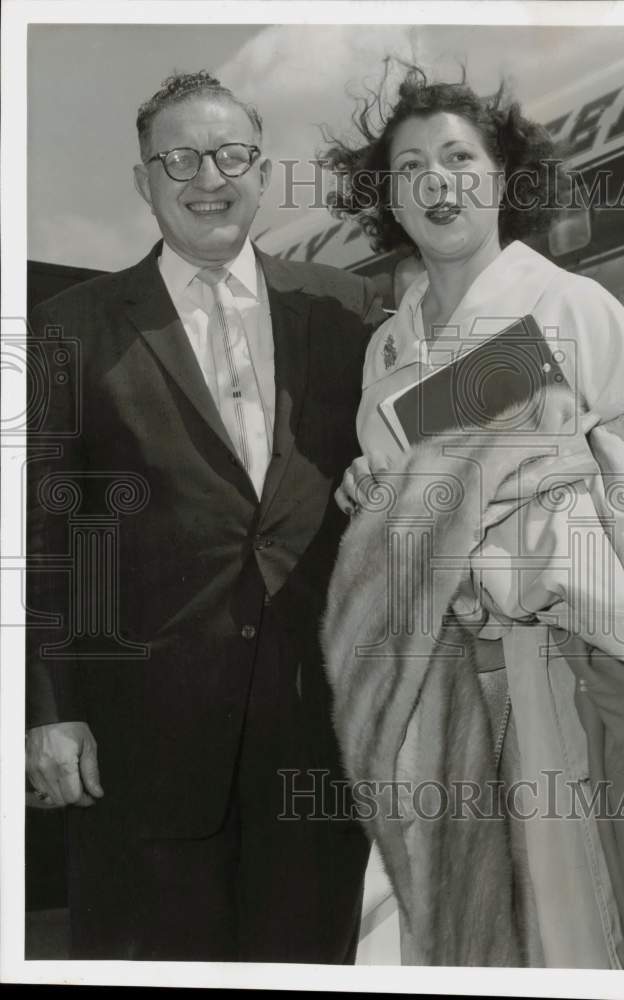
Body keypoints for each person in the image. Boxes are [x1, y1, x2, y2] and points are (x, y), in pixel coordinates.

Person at [25, 70, 384, 962]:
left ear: (263, 171)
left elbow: (444, 425)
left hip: (318, 742)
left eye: (230, 154)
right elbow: (40, 536)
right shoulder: (67, 327)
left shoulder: (341, 309)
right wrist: (44, 710)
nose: (207, 177)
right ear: (143, 180)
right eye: (177, 157)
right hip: (139, 753)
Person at [321, 65, 624, 969]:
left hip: (561, 654)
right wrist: (373, 488)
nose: (439, 181)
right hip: (440, 673)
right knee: (453, 921)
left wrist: (541, 477)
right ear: (389, 198)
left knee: (573, 912)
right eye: (411, 167)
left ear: (502, 175)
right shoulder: (389, 344)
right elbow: (409, 491)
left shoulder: (570, 304)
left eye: (460, 158)